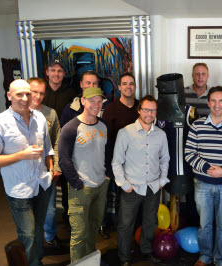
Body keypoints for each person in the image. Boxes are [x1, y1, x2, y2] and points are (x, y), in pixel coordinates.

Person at [0, 79, 54, 266]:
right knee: (27, 234)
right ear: (9, 96)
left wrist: (51, 171)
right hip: (19, 189)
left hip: (42, 183)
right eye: (19, 94)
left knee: (38, 229)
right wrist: (22, 155)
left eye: (27, 93)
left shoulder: (39, 118)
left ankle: (36, 260)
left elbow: (48, 148)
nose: (24, 98)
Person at [185, 86, 222, 266]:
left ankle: (220, 258)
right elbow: (189, 153)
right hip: (202, 183)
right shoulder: (197, 125)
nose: (217, 104)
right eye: (213, 100)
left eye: (221, 100)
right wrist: (206, 168)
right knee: (205, 225)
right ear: (208, 102)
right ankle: (204, 256)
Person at [112, 95, 170, 266]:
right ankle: (124, 257)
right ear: (139, 110)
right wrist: (124, 184)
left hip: (153, 187)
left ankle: (146, 251)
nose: (149, 113)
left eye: (152, 110)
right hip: (132, 188)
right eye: (146, 109)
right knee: (125, 225)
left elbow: (165, 159)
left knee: (150, 223)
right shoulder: (125, 132)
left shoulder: (161, 135)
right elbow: (117, 161)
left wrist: (162, 181)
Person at [58, 87, 110, 263]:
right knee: (79, 234)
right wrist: (78, 184)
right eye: (92, 100)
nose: (96, 104)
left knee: (94, 227)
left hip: (101, 185)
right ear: (83, 101)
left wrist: (107, 176)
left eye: (99, 101)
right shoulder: (71, 128)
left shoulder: (103, 125)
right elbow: (63, 160)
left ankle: (90, 260)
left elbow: (107, 153)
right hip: (81, 189)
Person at [101, 72, 139, 239]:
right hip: (118, 162)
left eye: (131, 83)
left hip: (138, 163)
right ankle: (119, 233)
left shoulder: (140, 106)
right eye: (125, 83)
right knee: (118, 199)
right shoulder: (111, 108)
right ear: (119, 87)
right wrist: (109, 166)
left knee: (135, 198)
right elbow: (106, 139)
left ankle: (135, 231)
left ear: (135, 87)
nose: (128, 86)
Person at [27, 77, 63, 248]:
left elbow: (57, 142)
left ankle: (50, 236)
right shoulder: (19, 113)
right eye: (35, 92)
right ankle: (33, 242)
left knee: (50, 211)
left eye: (42, 93)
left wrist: (56, 167)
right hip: (25, 173)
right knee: (29, 211)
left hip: (46, 171)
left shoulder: (51, 113)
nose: (38, 96)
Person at [42, 59, 77, 222]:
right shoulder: (41, 92)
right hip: (42, 148)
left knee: (65, 184)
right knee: (44, 189)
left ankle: (67, 219)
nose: (56, 74)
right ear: (47, 72)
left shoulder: (71, 93)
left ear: (64, 74)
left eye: (60, 71)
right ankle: (45, 223)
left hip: (65, 147)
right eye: (53, 70)